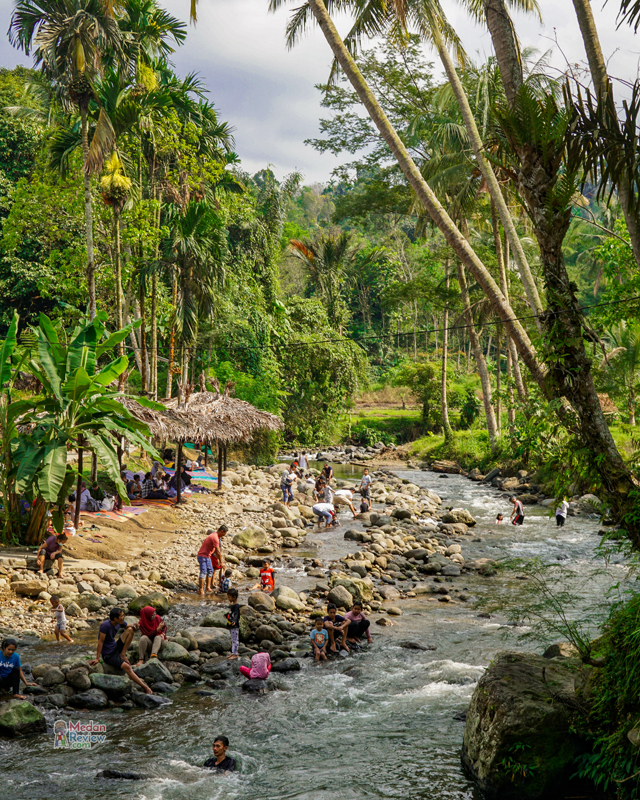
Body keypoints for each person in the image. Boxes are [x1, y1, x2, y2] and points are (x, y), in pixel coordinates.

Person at [89, 608, 153, 694]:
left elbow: (129, 627)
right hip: (108, 655)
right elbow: (100, 642)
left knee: (130, 630)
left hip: (115, 647)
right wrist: (97, 658)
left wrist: (135, 626)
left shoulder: (119, 623)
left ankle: (123, 654)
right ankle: (145, 687)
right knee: (127, 667)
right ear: (115, 618)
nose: (124, 617)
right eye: (122, 616)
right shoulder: (105, 626)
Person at [197, 526, 228, 595]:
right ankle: (201, 589)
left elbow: (216, 552)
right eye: (224, 533)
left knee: (210, 571)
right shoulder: (215, 537)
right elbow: (218, 551)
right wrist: (222, 563)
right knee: (203, 572)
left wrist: (218, 560)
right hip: (202, 556)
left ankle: (208, 587)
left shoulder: (215, 536)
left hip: (208, 556)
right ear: (221, 531)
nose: (224, 535)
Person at [226, 588, 240, 661]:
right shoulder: (233, 605)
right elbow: (230, 613)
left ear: (234, 597)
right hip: (231, 625)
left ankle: (236, 654)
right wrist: (226, 615)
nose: (228, 599)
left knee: (235, 640)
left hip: (234, 625)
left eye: (229, 597)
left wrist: (234, 620)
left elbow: (237, 614)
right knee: (233, 639)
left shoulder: (236, 606)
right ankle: (233, 652)